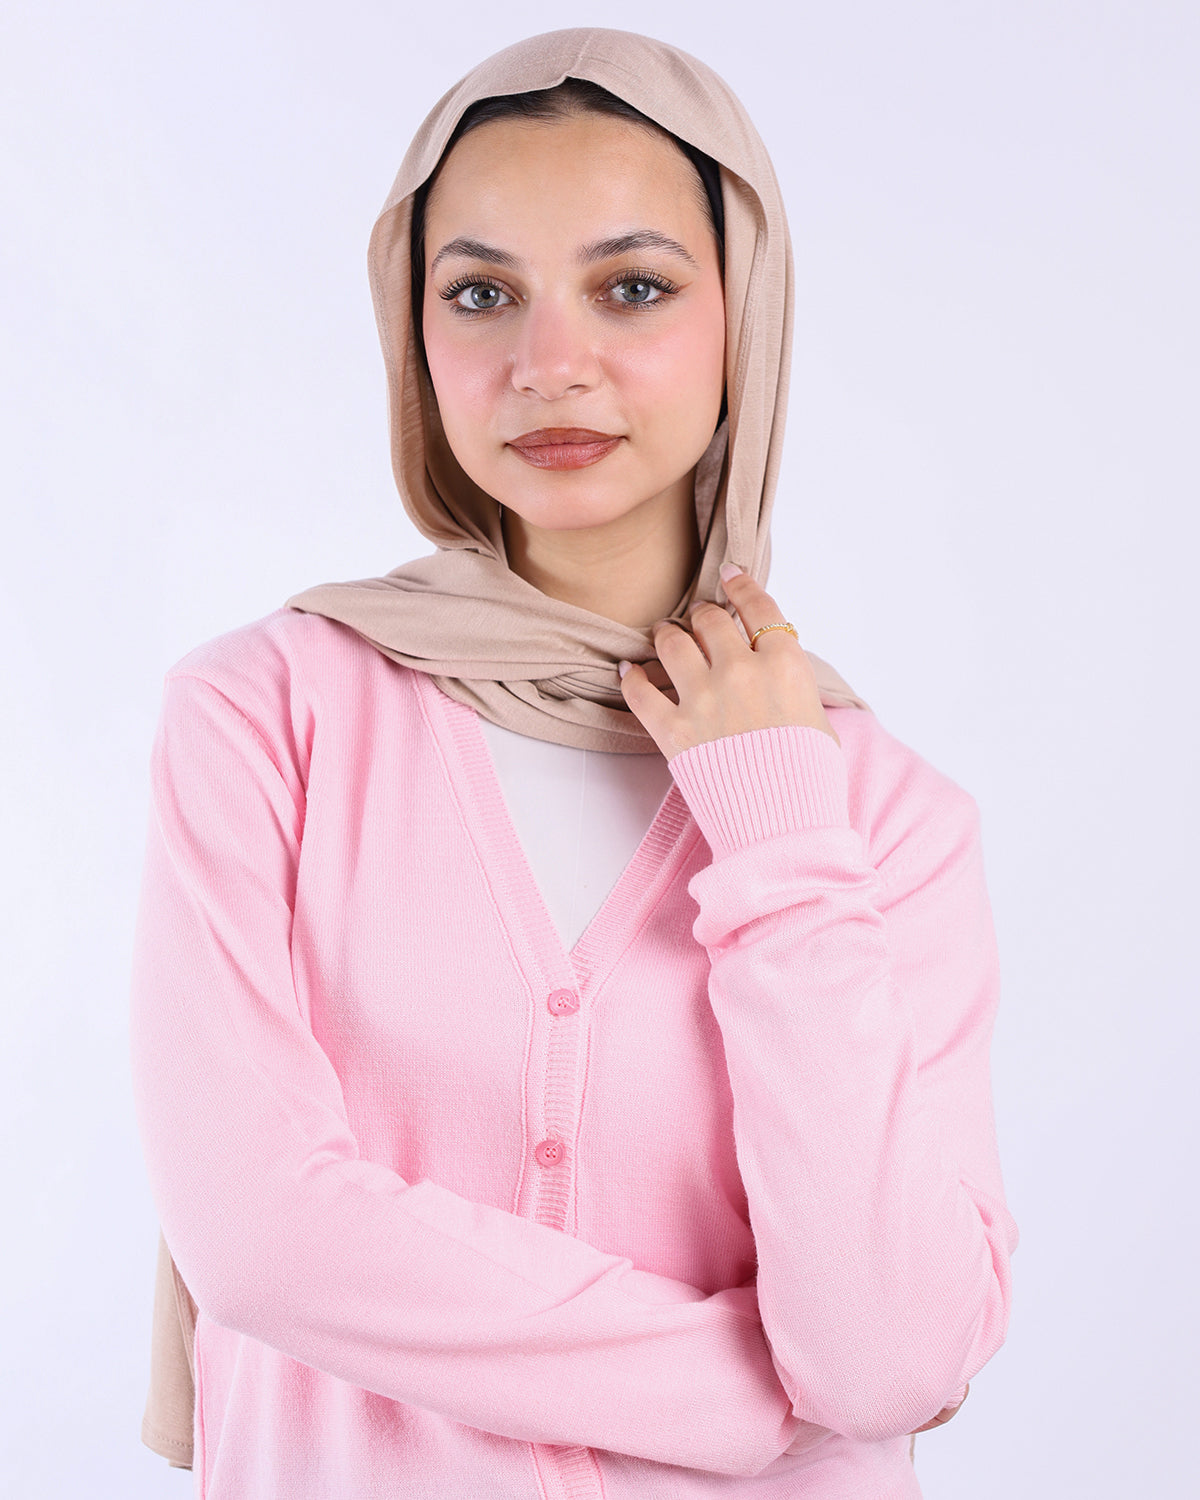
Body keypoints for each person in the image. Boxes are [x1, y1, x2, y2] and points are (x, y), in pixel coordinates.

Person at [130, 27, 1017, 1500]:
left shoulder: (878, 817)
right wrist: (752, 1403)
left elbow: (889, 1364)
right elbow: (261, 1239)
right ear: (413, 334)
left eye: (635, 288)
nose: (552, 365)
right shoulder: (264, 718)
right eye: (482, 293)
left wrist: (783, 846)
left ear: (750, 318)